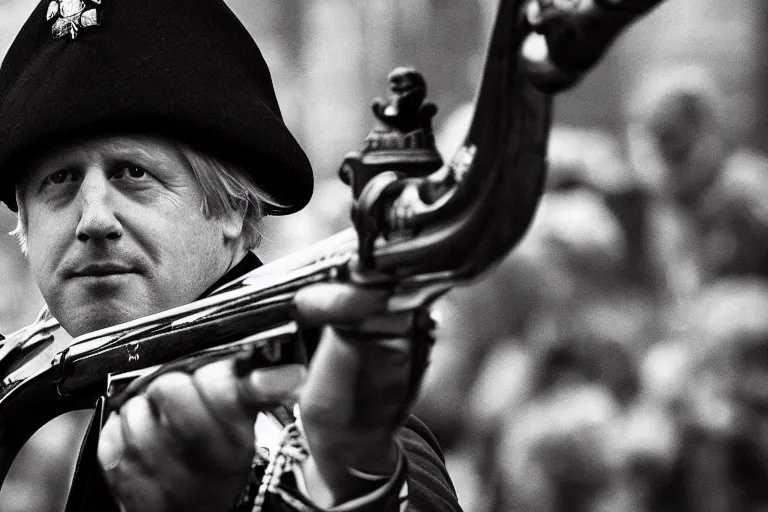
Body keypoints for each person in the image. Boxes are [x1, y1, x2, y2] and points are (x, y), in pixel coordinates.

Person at [0, 0, 460, 510]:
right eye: (59, 180)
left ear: (234, 209)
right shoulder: (95, 387)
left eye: (132, 173)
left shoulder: (335, 432)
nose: (93, 220)